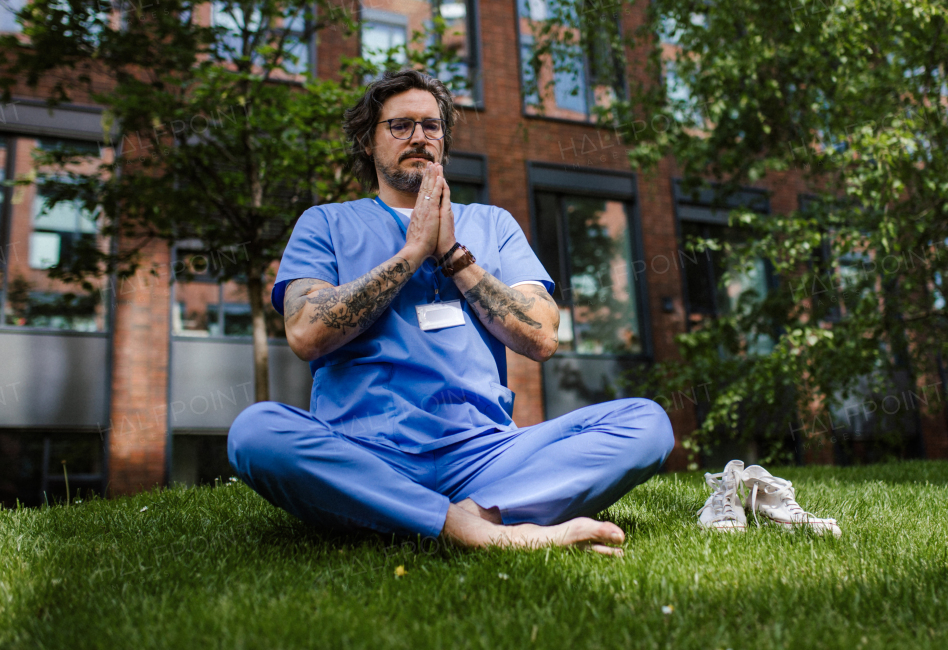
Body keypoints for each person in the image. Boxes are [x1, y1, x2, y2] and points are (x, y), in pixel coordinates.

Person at [227, 69, 674, 556]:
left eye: (431, 125)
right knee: (256, 433)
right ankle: (479, 531)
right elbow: (306, 331)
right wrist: (410, 254)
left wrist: (454, 257)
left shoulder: (493, 223)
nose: (419, 136)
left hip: (486, 452)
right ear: (366, 140)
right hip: (367, 452)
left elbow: (541, 336)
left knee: (646, 423)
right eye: (400, 126)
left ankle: (464, 515)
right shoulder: (327, 223)